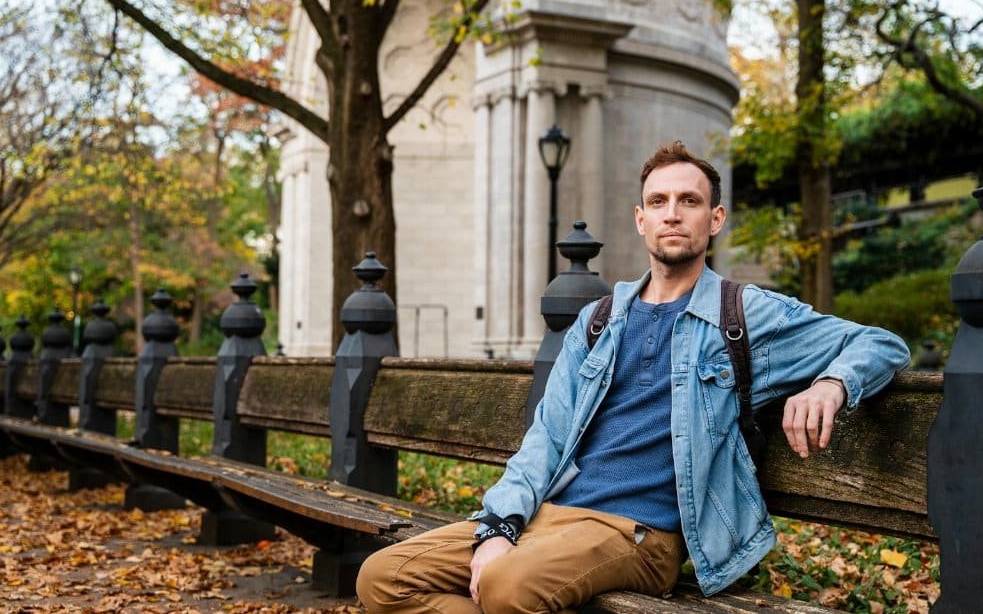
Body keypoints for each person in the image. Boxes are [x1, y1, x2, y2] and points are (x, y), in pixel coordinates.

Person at [356, 142, 910, 613]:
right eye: (659, 202)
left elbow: (882, 344)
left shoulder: (745, 315)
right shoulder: (600, 319)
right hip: (550, 515)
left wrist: (830, 384)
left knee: (505, 588)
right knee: (381, 577)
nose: (673, 213)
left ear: (714, 219)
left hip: (639, 536)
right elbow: (546, 437)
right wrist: (500, 528)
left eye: (689, 201)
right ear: (640, 218)